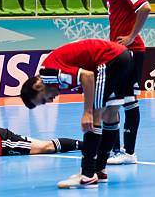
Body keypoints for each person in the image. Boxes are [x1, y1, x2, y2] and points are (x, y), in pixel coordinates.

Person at [20, 39, 135, 188]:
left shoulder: (47, 74)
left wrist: (87, 112)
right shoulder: (52, 74)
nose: (49, 101)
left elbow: (87, 77)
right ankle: (99, 171)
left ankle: (87, 175)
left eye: (43, 100)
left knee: (94, 116)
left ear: (37, 86)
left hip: (109, 59)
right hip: (124, 57)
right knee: (110, 115)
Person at [98, 0, 151, 165]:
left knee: (128, 100)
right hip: (117, 51)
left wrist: (130, 37)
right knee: (114, 100)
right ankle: (116, 150)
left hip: (130, 51)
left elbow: (145, 8)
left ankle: (128, 153)